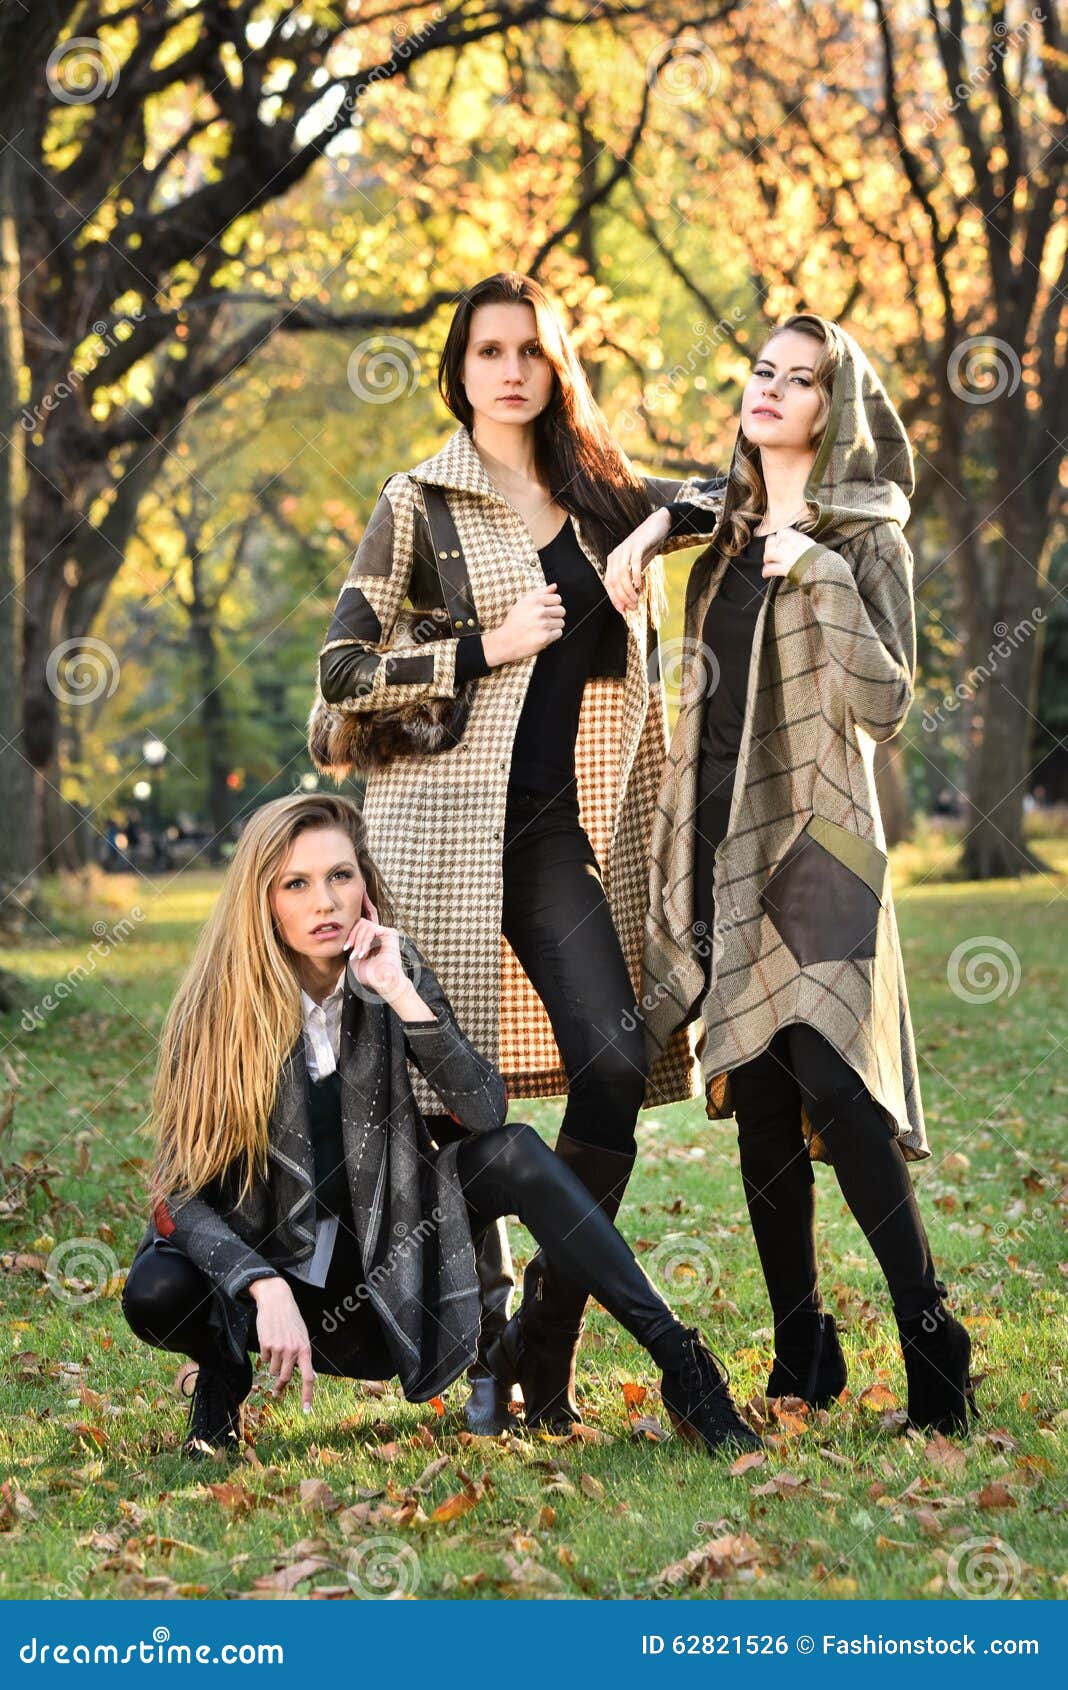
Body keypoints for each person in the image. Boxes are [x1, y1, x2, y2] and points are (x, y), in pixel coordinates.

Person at [307, 272, 700, 1432]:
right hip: (429, 838)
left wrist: (657, 530)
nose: (513, 368)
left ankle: (546, 1332)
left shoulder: (601, 492)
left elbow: (728, 493)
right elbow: (340, 673)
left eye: (532, 349)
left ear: (556, 364)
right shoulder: (420, 501)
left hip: (545, 836)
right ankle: (485, 1357)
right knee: (443, 1099)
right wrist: (486, 645)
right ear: (460, 369)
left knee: (615, 1065)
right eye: (490, 350)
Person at [120, 793, 758, 1463]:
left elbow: (485, 1111)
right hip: (267, 1283)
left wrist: (402, 994)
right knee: (157, 1288)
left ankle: (681, 1364)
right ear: (263, 899)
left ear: (364, 880)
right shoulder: (219, 1006)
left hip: (379, 1275)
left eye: (341, 875)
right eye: (297, 884)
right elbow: (180, 1197)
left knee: (515, 1152)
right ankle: (222, 1377)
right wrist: (260, 1281)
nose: (325, 902)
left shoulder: (392, 967)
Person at [605, 314, 976, 1436]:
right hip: (723, 834)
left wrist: (817, 573)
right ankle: (802, 1350)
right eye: (761, 371)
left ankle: (931, 1331)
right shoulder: (718, 530)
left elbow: (888, 704)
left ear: (835, 406)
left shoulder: (867, 540)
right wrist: (650, 533)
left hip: (823, 841)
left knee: (834, 1076)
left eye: (798, 379)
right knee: (759, 1099)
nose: (769, 389)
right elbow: (660, 496)